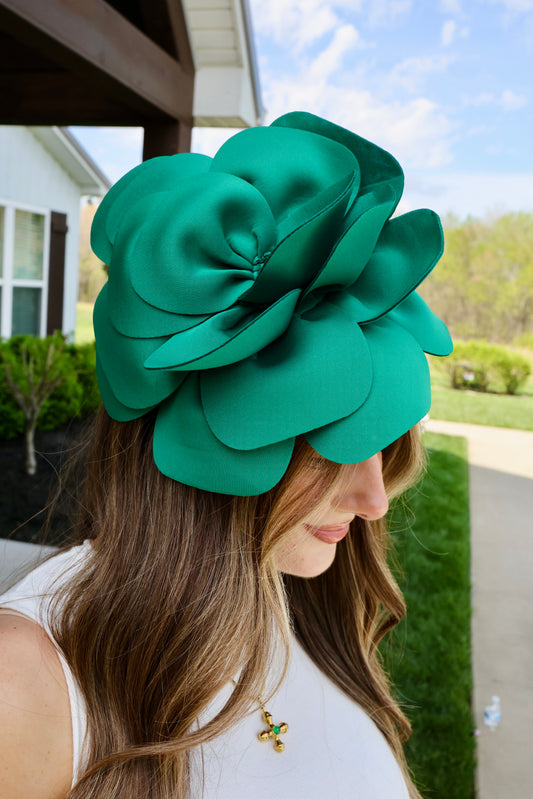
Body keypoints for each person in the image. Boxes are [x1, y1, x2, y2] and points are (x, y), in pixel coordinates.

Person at [0, 112, 452, 799]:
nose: (374, 499)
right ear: (204, 445)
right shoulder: (26, 680)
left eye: (381, 447)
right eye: (327, 448)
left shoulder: (291, 585)